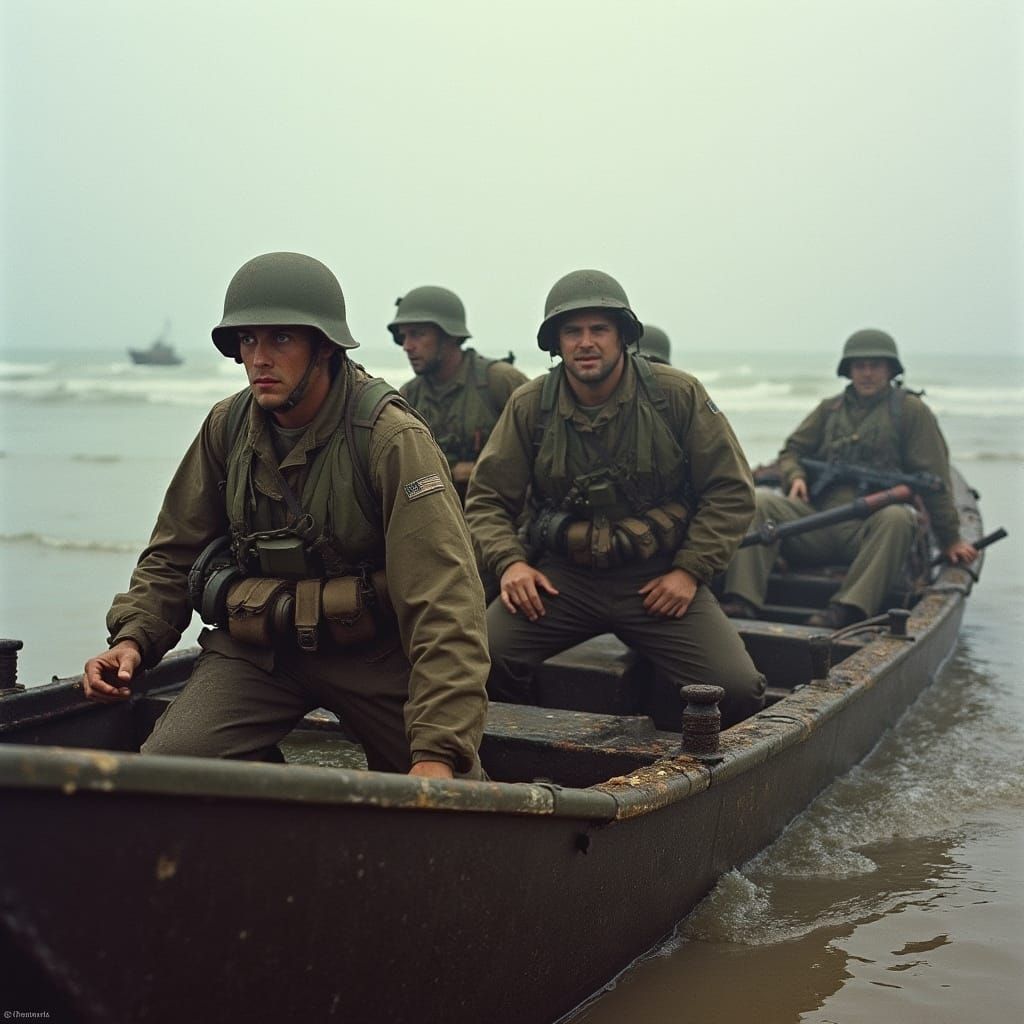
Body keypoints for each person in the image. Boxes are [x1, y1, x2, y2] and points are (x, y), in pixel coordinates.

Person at [83, 252, 489, 779]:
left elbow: (445, 596)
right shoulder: (228, 427)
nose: (259, 358)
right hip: (259, 652)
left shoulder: (390, 438)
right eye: (248, 340)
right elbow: (174, 552)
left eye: (280, 339)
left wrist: (438, 749)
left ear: (323, 347)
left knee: (443, 795)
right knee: (169, 772)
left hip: (372, 653)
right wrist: (133, 640)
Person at [464, 269, 766, 728]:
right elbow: (486, 499)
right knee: (475, 662)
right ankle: (520, 743)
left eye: (599, 329)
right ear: (556, 342)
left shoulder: (676, 395)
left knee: (737, 689)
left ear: (622, 336)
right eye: (573, 331)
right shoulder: (530, 405)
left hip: (658, 579)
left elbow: (730, 490)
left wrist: (689, 571)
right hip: (562, 579)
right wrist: (511, 564)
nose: (586, 342)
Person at [719, 329, 978, 629]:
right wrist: (796, 475)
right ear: (848, 370)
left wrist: (951, 539)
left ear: (890, 370)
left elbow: (934, 479)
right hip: (816, 522)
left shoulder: (910, 411)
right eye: (859, 366)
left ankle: (847, 609)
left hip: (869, 532)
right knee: (760, 502)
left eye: (875, 365)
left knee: (897, 518)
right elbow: (792, 450)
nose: (867, 373)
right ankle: (742, 601)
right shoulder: (830, 409)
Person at [389, 285, 528, 502]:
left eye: (417, 334)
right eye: (403, 337)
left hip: (501, 512)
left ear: (449, 336)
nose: (407, 346)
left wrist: (481, 469)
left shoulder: (500, 381)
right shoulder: (407, 398)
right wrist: (452, 472)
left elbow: (539, 455)